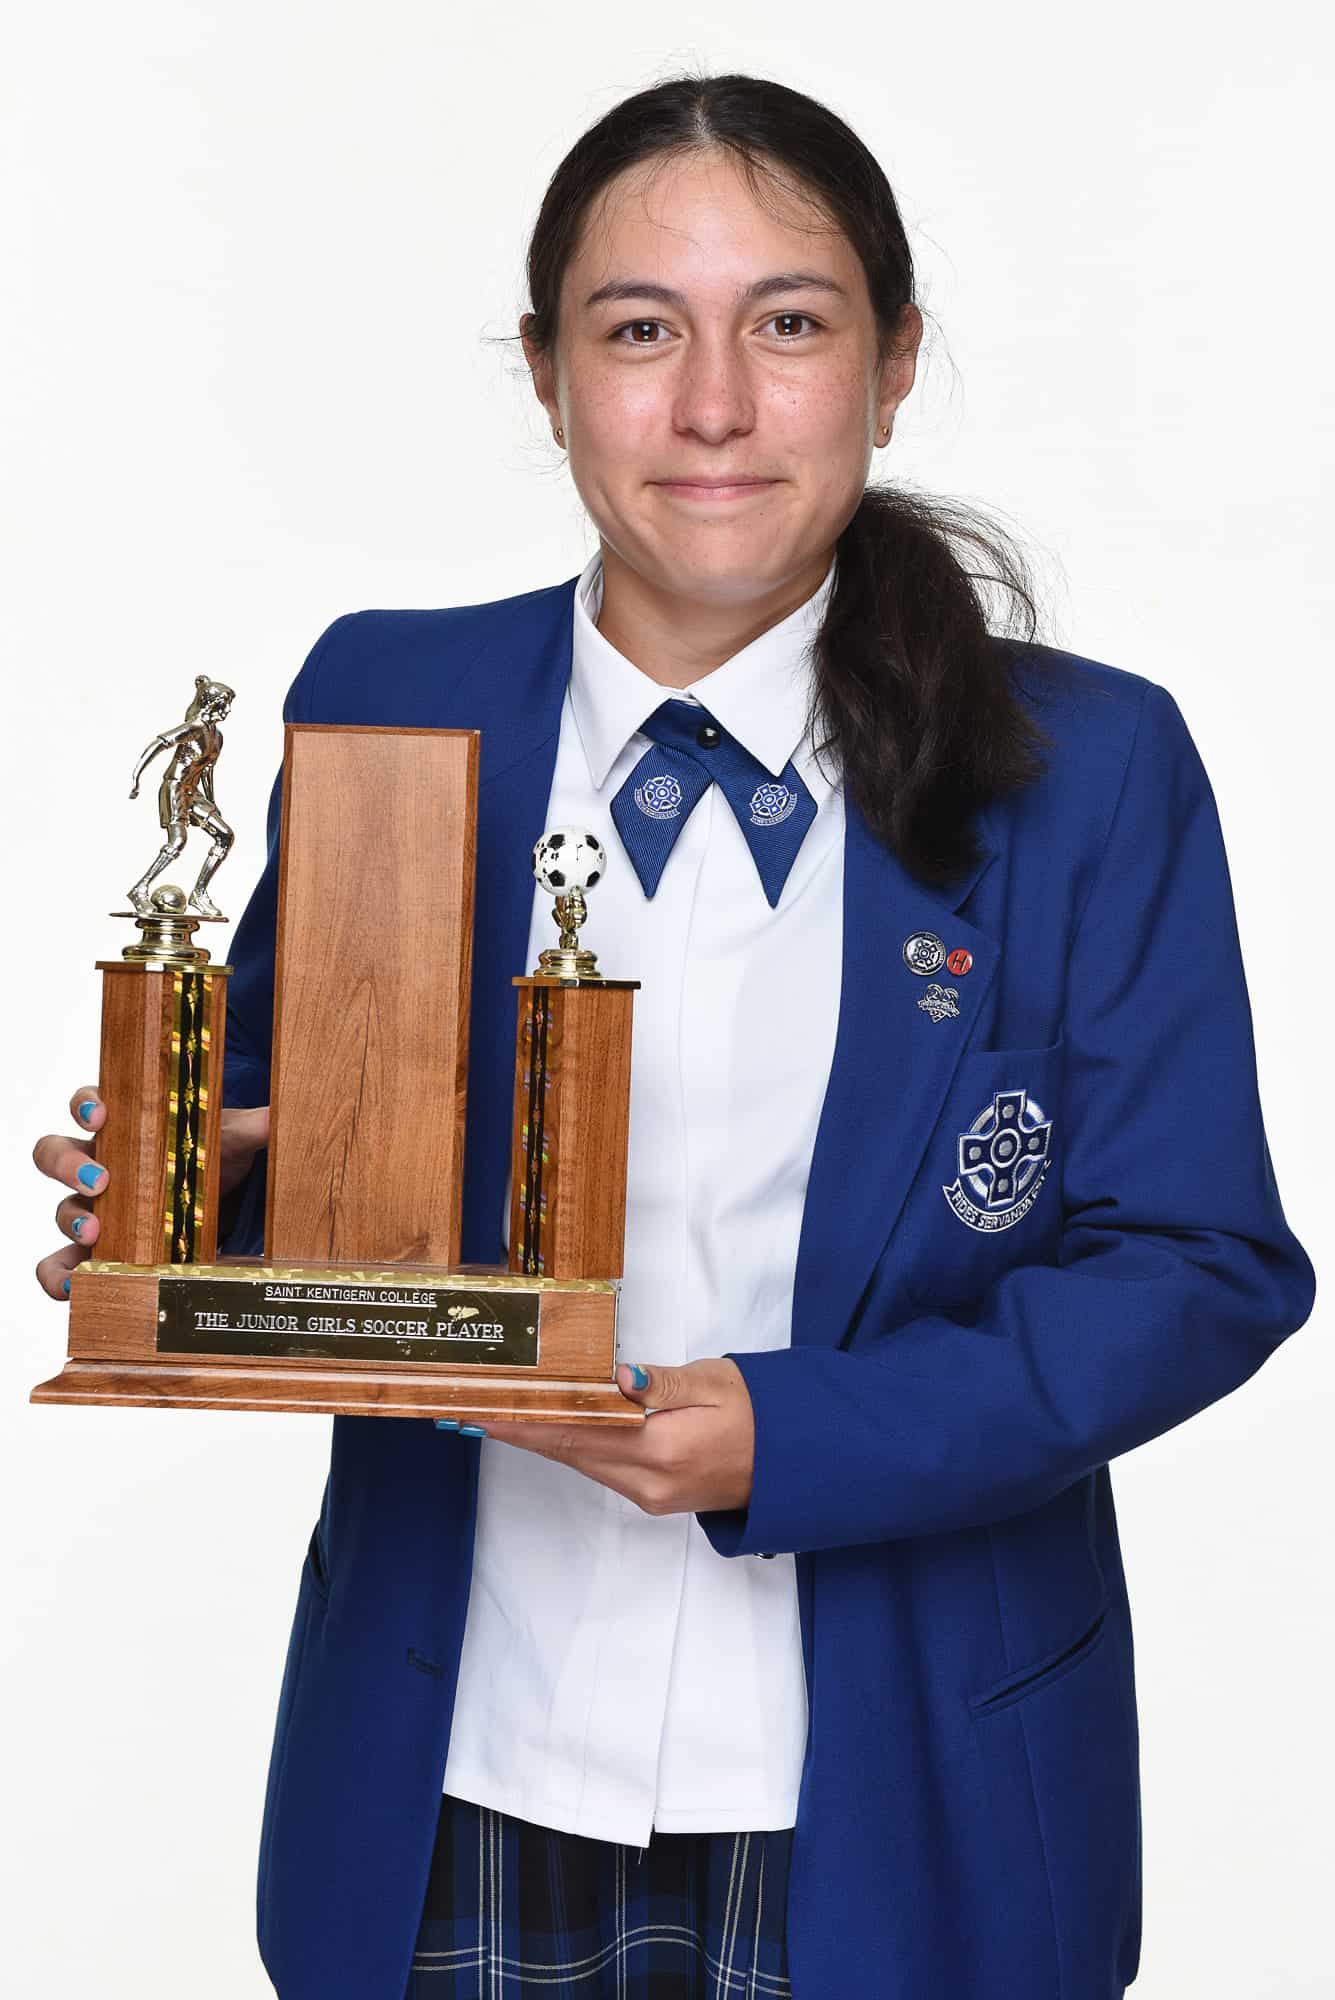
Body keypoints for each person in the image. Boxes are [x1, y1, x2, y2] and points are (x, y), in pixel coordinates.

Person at [32, 71, 1316, 2000]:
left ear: (892, 366)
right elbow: (323, 1163)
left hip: (911, 1791)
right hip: (456, 1758)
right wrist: (188, 1209)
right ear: (548, 376)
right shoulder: (391, 695)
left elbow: (1196, 1266)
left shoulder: (1089, 762)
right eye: (640, 331)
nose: (713, 404)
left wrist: (792, 1438)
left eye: (787, 324)